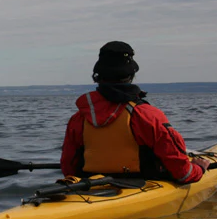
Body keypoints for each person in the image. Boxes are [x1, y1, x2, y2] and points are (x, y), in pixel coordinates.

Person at [61, 41, 209, 183]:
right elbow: (184, 174)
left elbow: (69, 169)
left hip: (90, 187)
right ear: (130, 76)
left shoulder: (79, 119)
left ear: (98, 76)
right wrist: (199, 168)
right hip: (140, 186)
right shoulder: (147, 116)